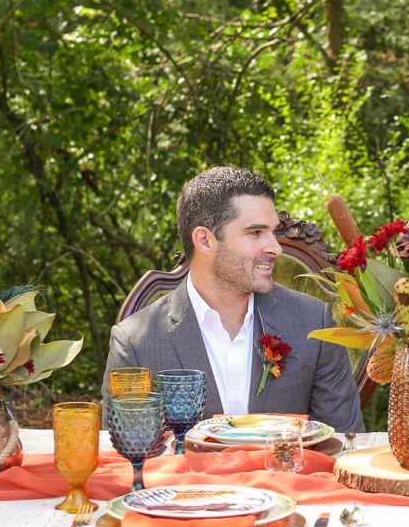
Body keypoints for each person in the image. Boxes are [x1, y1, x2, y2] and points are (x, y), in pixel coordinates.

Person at [102, 166, 365, 431]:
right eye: (255, 233)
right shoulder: (136, 342)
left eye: (272, 232)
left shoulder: (313, 323)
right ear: (205, 241)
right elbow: (125, 459)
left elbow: (344, 444)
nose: (275, 248)